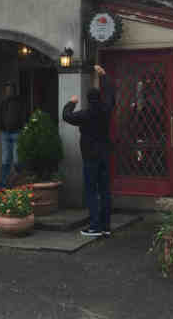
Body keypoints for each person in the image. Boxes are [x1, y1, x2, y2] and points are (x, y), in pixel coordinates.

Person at [62, 64, 116, 237]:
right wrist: (103, 76)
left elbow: (66, 116)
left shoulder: (84, 114)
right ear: (99, 98)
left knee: (92, 191)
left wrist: (71, 103)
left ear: (87, 100)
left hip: (90, 157)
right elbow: (111, 94)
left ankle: (95, 226)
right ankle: (106, 226)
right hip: (105, 154)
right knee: (105, 191)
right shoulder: (106, 110)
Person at [0, 81, 25, 188]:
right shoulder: (3, 103)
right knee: (5, 160)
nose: (8, 92)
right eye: (6, 90)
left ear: (14, 91)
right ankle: (4, 185)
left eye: (10, 89)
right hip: (5, 133)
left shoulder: (19, 102)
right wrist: (2, 128)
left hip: (17, 133)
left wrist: (21, 127)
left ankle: (18, 183)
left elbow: (23, 115)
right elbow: (0, 116)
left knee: (17, 161)